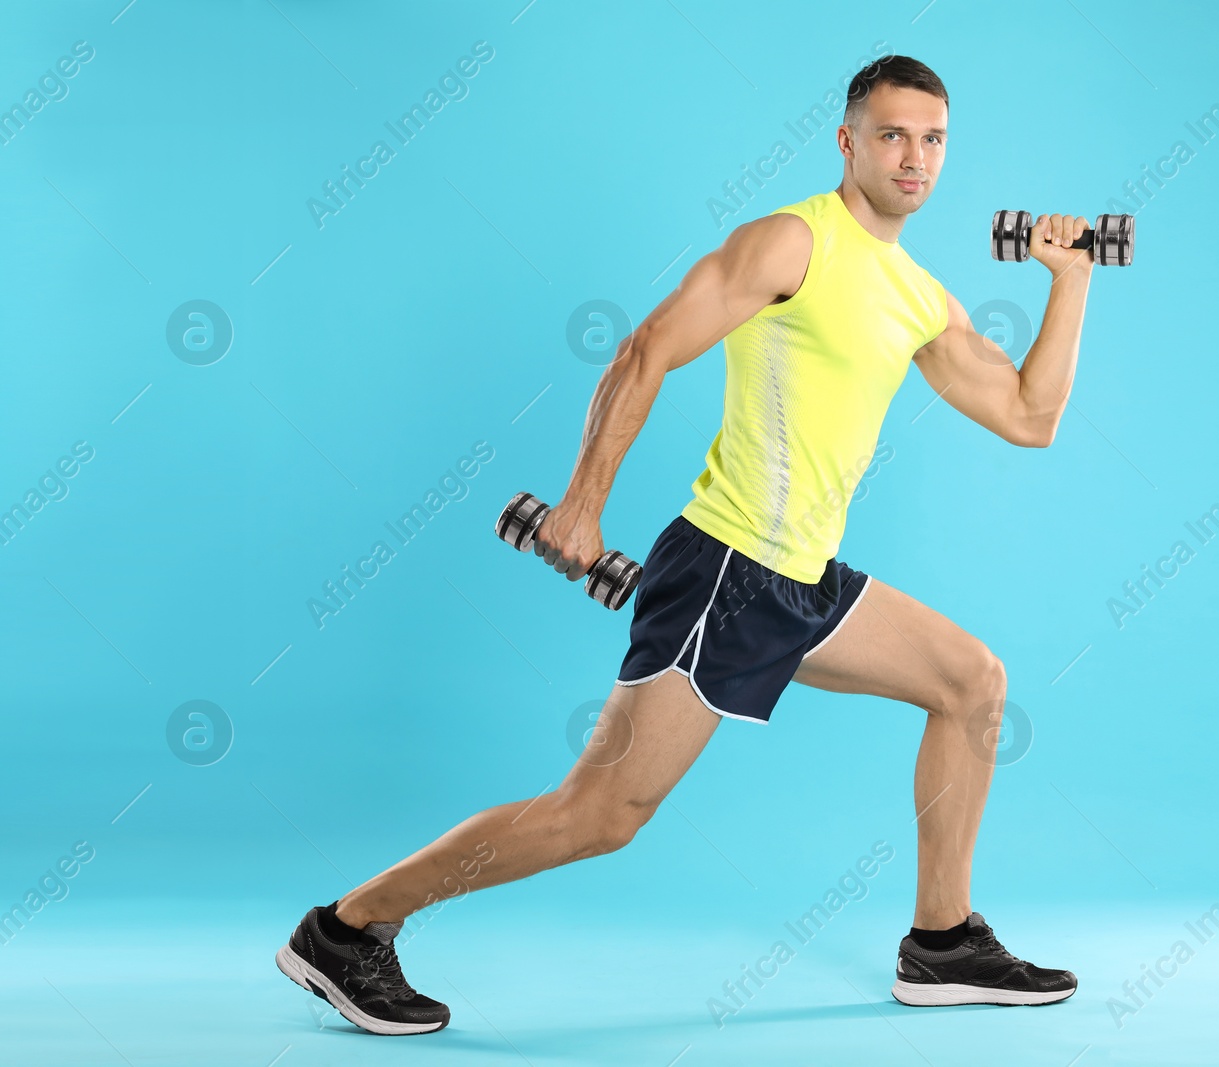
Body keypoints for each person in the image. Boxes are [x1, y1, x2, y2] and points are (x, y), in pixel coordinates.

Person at [275, 54, 1095, 1035]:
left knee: (971, 682)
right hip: (728, 570)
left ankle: (943, 939)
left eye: (932, 139)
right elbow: (647, 348)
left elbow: (1028, 415)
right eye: (891, 134)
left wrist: (1071, 280)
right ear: (848, 141)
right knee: (600, 814)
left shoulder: (919, 295)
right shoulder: (792, 242)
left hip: (803, 582)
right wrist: (583, 502)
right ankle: (349, 925)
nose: (913, 157)